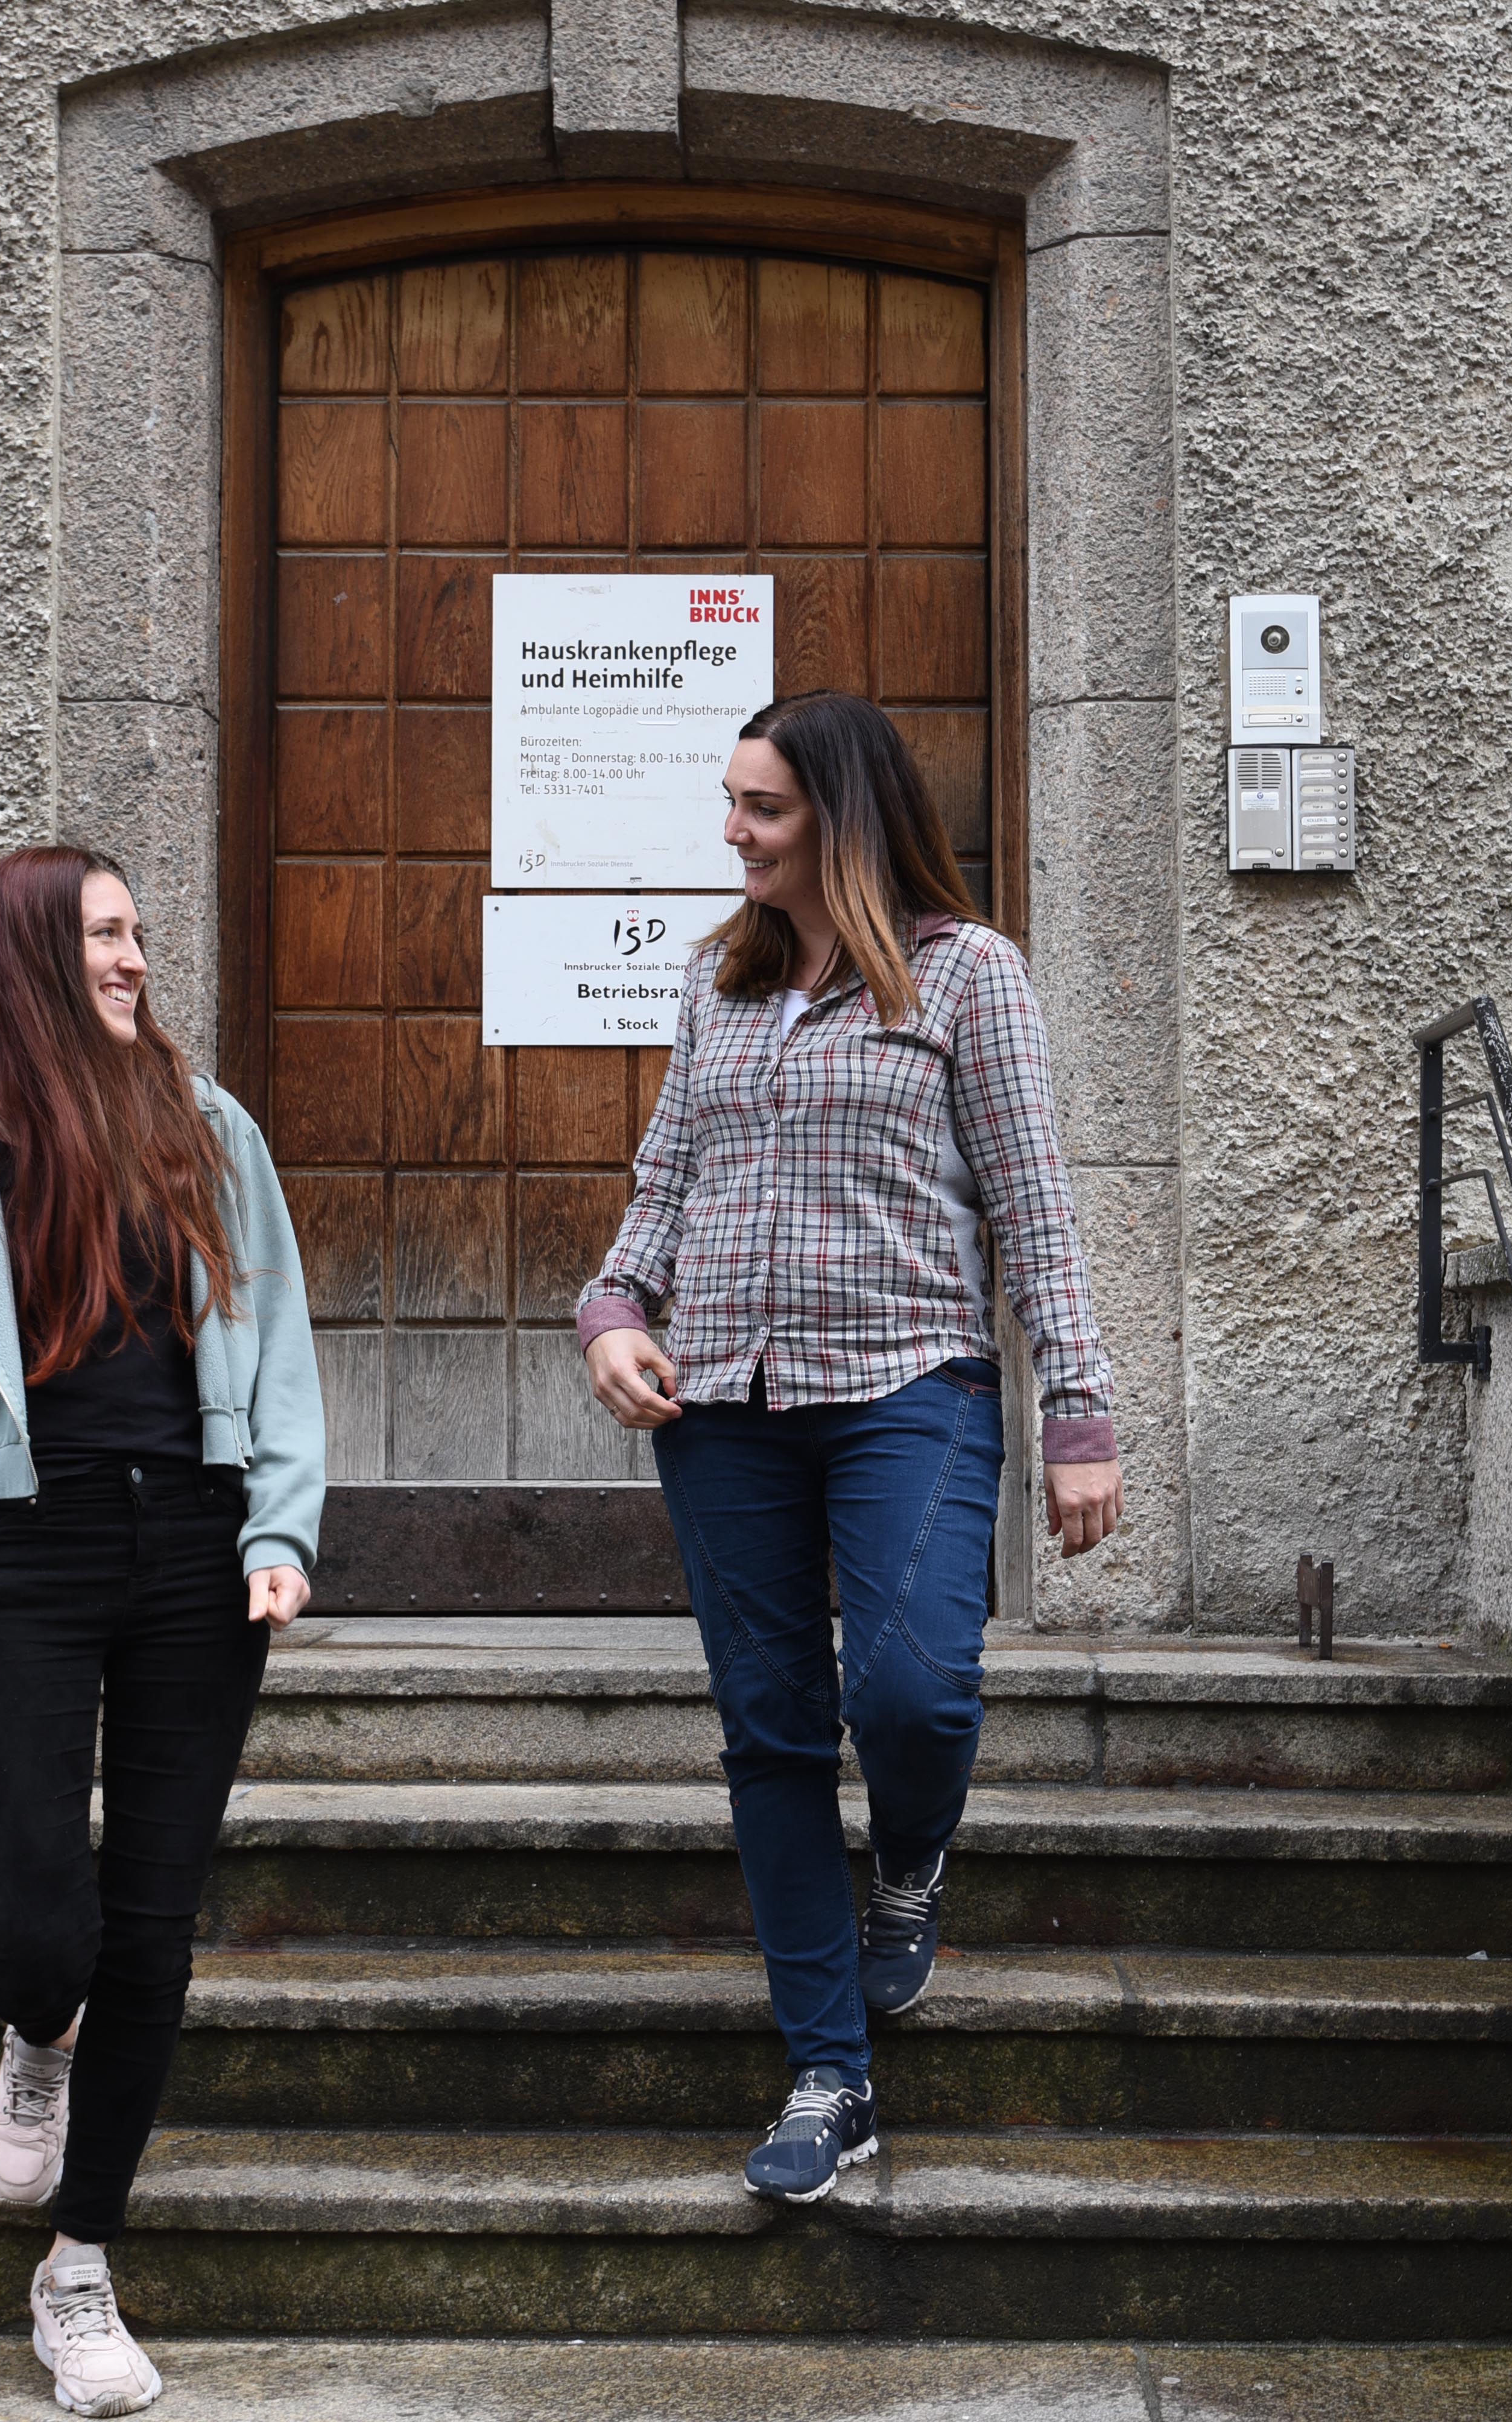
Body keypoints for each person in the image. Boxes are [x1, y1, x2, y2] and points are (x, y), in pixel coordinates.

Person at [579, 690, 1122, 2206]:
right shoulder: (717, 982)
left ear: (845, 817)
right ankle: (830, 2073)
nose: (731, 830)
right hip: (726, 1407)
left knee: (911, 1688)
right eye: (732, 802)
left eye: (760, 806)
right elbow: (661, 1186)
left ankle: (911, 1857)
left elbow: (1035, 1206)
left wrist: (1075, 1409)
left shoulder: (966, 979)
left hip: (910, 1388)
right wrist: (615, 1308)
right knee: (767, 1730)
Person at [0, 845, 323, 2416]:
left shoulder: (209, 1129)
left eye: (138, 932)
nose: (134, 960)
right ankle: (39, 2031)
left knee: (154, 1928)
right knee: (45, 1929)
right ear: (30, 955)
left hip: (191, 1557)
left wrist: (279, 1530)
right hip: (10, 1568)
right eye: (106, 935)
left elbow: (282, 1342)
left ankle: (79, 2263)